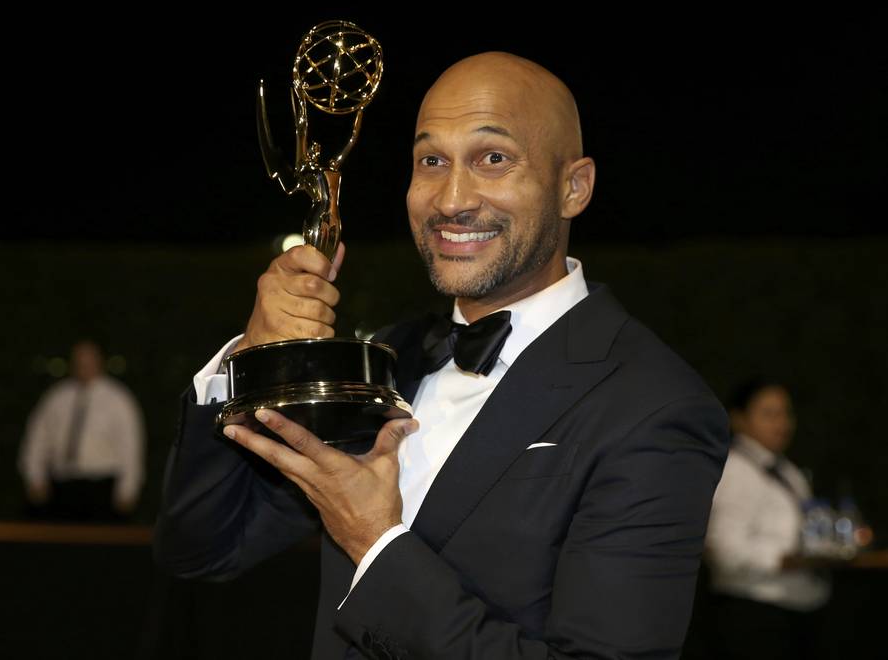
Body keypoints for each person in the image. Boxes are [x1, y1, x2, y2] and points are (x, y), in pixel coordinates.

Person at [154, 52, 729, 659]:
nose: (451, 199)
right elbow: (203, 550)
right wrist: (249, 356)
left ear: (573, 187)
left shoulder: (654, 405)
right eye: (432, 161)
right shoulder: (387, 359)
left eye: (493, 159)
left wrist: (375, 542)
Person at [705, 379, 830, 660]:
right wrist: (786, 559)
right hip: (754, 614)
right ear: (739, 418)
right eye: (769, 414)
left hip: (794, 610)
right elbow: (724, 547)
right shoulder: (735, 469)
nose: (782, 423)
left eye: (786, 413)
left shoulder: (786, 469)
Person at [18, 339, 145, 520]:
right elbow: (38, 438)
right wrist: (34, 476)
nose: (84, 365)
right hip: (62, 486)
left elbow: (130, 446)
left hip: (101, 487)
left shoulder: (118, 399)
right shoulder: (57, 397)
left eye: (89, 359)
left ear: (99, 360)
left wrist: (128, 489)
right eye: (79, 359)